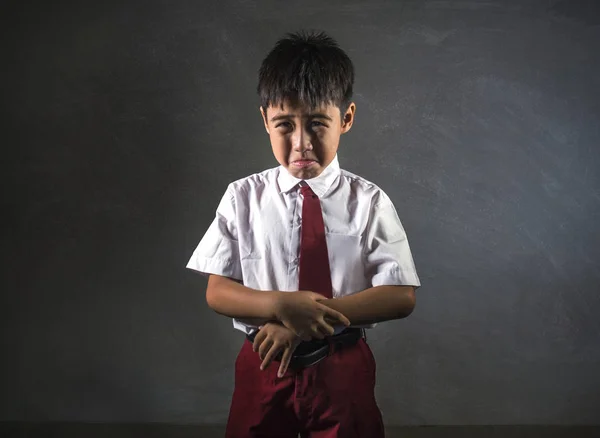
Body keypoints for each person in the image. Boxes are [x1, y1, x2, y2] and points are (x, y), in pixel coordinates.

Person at [187, 30, 421, 438]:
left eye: (316, 124)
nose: (301, 143)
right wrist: (282, 305)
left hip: (341, 365)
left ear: (345, 119)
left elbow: (400, 295)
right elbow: (217, 290)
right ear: (264, 120)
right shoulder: (243, 197)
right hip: (264, 361)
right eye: (284, 125)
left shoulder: (368, 202)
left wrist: (303, 322)